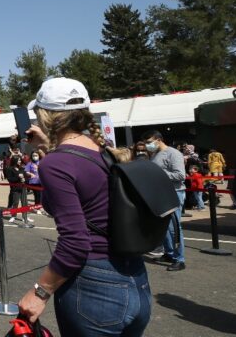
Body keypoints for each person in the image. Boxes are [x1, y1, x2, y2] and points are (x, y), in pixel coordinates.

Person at [17, 77, 151, 336]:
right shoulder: (105, 152)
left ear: (45, 116)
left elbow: (76, 242)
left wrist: (40, 292)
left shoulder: (55, 164)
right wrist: (48, 147)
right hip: (136, 280)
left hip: (95, 287)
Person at [143, 129, 187, 271]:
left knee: (174, 228)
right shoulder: (155, 154)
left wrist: (157, 173)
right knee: (164, 227)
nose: (147, 145)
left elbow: (180, 175)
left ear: (158, 139)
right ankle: (169, 253)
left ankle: (179, 259)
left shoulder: (173, 153)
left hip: (174, 193)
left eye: (149, 142)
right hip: (160, 193)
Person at [4, 155, 29, 224]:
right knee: (15, 202)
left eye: (20, 160)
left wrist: (25, 179)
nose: (20, 161)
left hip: (23, 188)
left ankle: (25, 217)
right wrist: (18, 177)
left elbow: (26, 177)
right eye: (18, 160)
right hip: (15, 189)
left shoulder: (22, 168)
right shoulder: (10, 169)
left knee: (24, 203)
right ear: (14, 161)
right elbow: (10, 179)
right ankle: (13, 216)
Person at [24, 151, 44, 215]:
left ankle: (38, 207)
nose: (35, 157)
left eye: (36, 155)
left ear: (39, 156)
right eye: (33, 155)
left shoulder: (42, 162)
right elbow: (26, 171)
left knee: (41, 195)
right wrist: (30, 174)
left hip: (42, 181)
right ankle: (37, 208)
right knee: (38, 195)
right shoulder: (30, 163)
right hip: (34, 182)